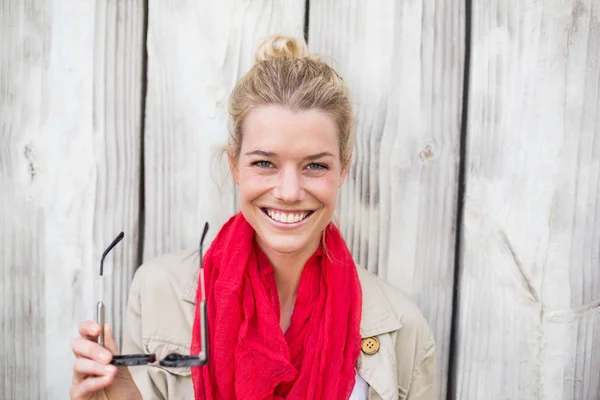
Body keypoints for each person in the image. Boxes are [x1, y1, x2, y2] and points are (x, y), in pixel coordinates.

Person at [70, 34, 436, 400]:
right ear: (235, 166)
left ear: (343, 170)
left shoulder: (401, 328)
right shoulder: (158, 293)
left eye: (315, 165)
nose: (289, 191)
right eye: (264, 163)